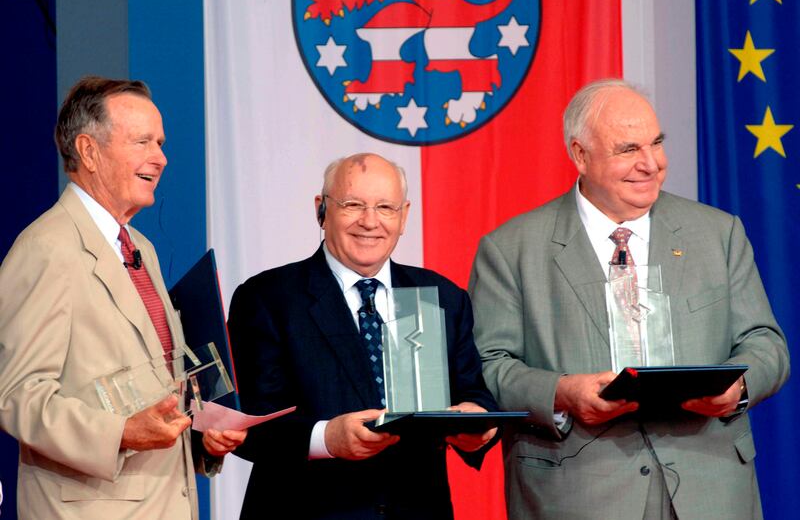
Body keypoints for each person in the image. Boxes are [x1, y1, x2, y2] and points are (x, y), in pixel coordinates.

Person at [469, 79, 790, 519]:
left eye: (656, 143)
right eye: (627, 149)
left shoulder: (718, 233)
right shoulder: (511, 249)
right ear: (580, 155)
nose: (650, 164)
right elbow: (490, 366)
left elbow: (766, 342)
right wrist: (563, 392)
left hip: (711, 488)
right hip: (579, 495)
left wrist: (738, 388)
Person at [0, 76, 246, 519]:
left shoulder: (139, 247)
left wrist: (201, 434)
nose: (161, 157)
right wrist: (120, 432)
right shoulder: (45, 249)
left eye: (160, 142)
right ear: (89, 152)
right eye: (143, 142)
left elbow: (158, 389)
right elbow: (18, 396)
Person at [227, 153, 499, 519]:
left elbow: (473, 393)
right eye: (353, 204)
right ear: (321, 210)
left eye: (385, 207)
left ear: (403, 217)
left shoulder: (441, 296)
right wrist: (326, 438)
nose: (370, 222)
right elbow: (246, 423)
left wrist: (476, 423)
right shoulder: (267, 297)